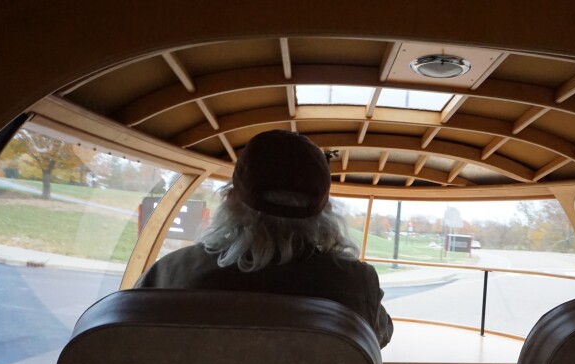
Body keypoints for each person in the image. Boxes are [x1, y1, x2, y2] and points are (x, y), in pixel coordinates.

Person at [135, 130, 393, 347]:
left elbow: (127, 339)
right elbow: (380, 338)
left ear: (230, 200)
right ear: (324, 212)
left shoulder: (169, 274)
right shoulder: (357, 285)